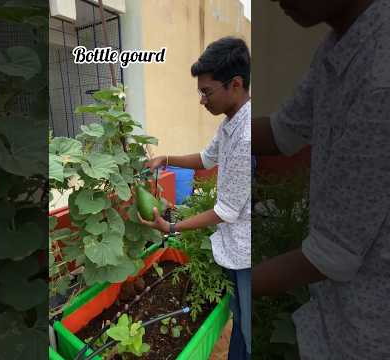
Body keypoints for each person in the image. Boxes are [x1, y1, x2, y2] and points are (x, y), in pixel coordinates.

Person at [253, 0, 390, 359]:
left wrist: (228, 281)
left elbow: (331, 255)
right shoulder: (339, 44)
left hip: (370, 333)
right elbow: (284, 131)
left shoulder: (381, 77)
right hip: (335, 313)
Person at [139, 36, 252, 360]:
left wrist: (172, 228)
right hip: (233, 246)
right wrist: (166, 158)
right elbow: (205, 158)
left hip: (246, 252)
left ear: (235, 84)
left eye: (207, 92)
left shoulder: (246, 137)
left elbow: (226, 210)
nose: (202, 100)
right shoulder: (231, 123)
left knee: (247, 324)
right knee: (241, 317)